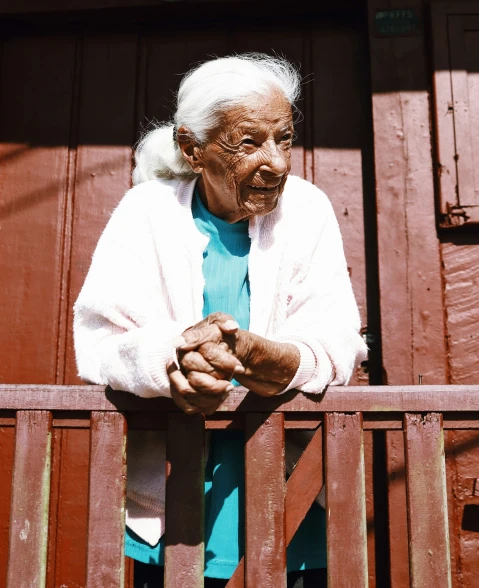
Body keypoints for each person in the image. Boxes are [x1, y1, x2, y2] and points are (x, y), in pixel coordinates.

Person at [74, 54, 367, 588]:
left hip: (292, 496)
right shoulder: (147, 211)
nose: (276, 163)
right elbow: (101, 340)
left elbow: (336, 338)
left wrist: (260, 355)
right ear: (192, 149)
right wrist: (174, 359)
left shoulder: (308, 209)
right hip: (170, 501)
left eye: (284, 139)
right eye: (250, 142)